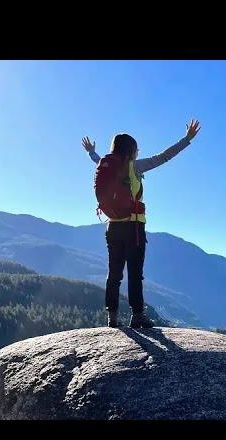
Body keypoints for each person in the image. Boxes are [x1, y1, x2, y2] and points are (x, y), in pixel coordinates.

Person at [82, 119, 201, 328]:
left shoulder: (107, 164)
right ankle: (137, 316)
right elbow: (164, 157)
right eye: (136, 149)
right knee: (135, 273)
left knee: (114, 272)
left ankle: (112, 317)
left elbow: (97, 161)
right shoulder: (134, 167)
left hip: (112, 226)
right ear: (131, 150)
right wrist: (187, 139)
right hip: (133, 227)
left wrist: (92, 152)